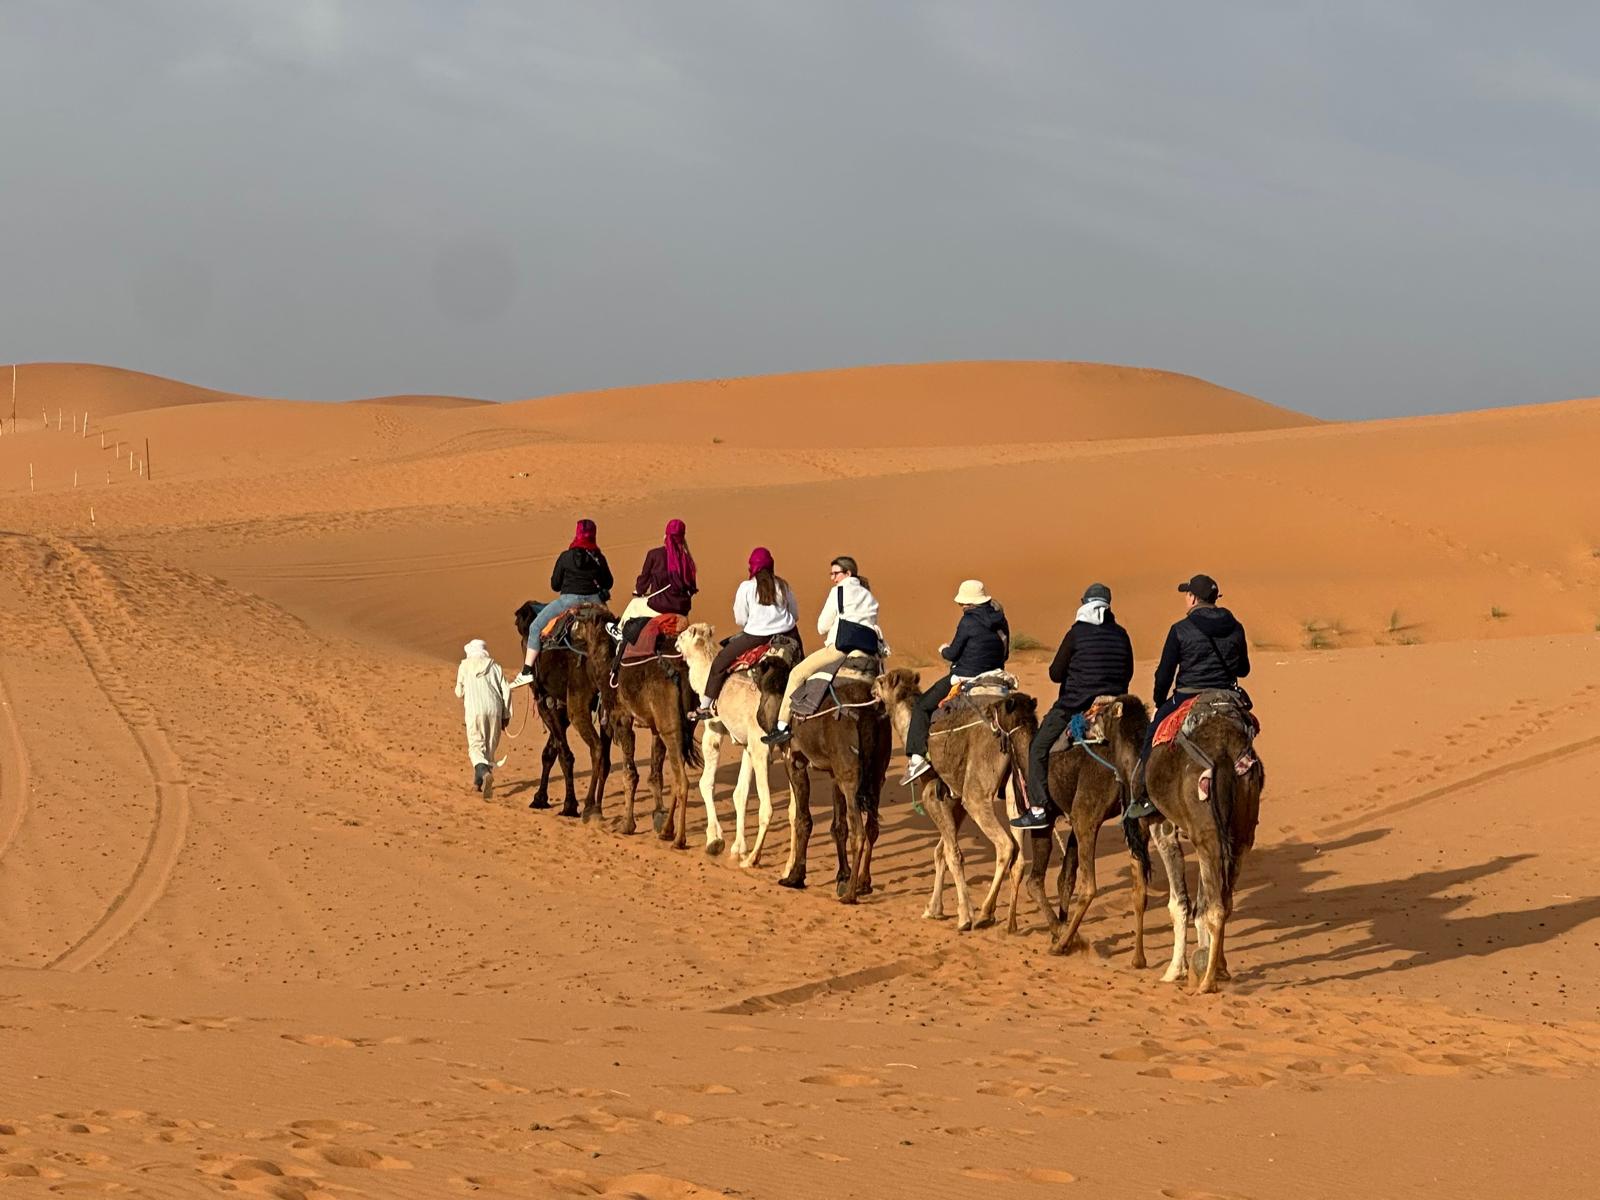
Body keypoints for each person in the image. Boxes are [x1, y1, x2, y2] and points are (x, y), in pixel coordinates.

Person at [1124, 573, 1251, 819]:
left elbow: (1164, 673)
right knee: (1247, 733)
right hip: (1226, 695)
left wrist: (1160, 701)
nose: (1186, 598)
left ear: (1193, 598)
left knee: (1153, 733)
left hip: (1188, 695)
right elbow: (1243, 669)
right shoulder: (1235, 627)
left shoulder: (1180, 629)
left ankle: (1143, 795)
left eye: (1187, 594)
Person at [1011, 583, 1135, 829]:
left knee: (1037, 748)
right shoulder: (1121, 633)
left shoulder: (1076, 634)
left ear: (1085, 604)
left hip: (1075, 705)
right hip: (1115, 706)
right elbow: (1128, 672)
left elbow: (1056, 673)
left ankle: (1038, 809)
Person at [763, 555, 884, 746]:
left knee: (797, 673)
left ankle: (781, 727)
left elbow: (822, 626)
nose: (833, 578)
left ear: (848, 573)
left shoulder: (838, 592)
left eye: (836, 573)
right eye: (831, 574)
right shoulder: (868, 595)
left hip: (841, 648)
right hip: (870, 650)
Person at [902, 580, 1010, 785]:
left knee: (922, 706)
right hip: (997, 675)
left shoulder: (968, 621)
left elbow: (954, 653)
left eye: (962, 604)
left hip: (965, 676)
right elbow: (1005, 651)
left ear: (968, 603)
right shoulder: (1001, 620)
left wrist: (943, 649)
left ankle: (916, 758)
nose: (961, 607)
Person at [691, 547, 800, 721]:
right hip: (789, 635)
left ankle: (704, 706)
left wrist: (757, 622)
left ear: (752, 567)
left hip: (756, 636)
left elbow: (740, 619)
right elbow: (795, 614)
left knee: (720, 661)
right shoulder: (783, 585)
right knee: (801, 667)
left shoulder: (747, 587)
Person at [515, 519, 613, 683]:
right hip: (596, 604)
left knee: (535, 627)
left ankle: (526, 671)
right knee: (614, 632)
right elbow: (608, 582)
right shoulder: (599, 558)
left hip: (567, 602)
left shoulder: (565, 557)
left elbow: (555, 585)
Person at [455, 639, 511, 795]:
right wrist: (506, 715)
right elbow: (506, 691)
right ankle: (478, 784)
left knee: (476, 747)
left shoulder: (464, 666)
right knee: (489, 748)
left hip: (474, 711)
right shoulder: (495, 667)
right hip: (495, 710)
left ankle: (485, 774)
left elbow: (459, 692)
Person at [631, 518, 698, 618]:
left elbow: (644, 579)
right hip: (682, 609)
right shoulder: (687, 560)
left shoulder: (654, 554)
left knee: (634, 604)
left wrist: (639, 591)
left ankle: (619, 630)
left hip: (658, 606)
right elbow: (691, 587)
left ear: (666, 535)